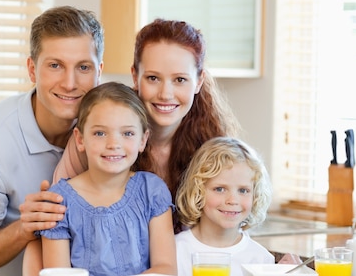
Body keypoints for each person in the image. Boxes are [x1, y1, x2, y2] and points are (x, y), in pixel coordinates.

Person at [0, 6, 104, 276]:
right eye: (55, 65)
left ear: (99, 71)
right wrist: (25, 228)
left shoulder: (112, 130)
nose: (70, 83)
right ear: (32, 69)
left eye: (83, 67)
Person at [54, 19, 240, 229]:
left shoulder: (213, 146)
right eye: (153, 78)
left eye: (179, 80)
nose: (165, 94)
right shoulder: (98, 134)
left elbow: (231, 227)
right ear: (135, 76)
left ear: (198, 81)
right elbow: (54, 218)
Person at [36, 82, 177, 276]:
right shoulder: (59, 201)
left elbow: (167, 268)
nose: (113, 144)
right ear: (80, 139)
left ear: (143, 140)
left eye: (127, 133)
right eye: (100, 133)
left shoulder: (152, 191)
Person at [174, 136, 275, 276]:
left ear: (256, 195)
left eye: (243, 190)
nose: (232, 200)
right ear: (197, 191)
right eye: (220, 189)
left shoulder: (261, 259)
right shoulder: (175, 251)